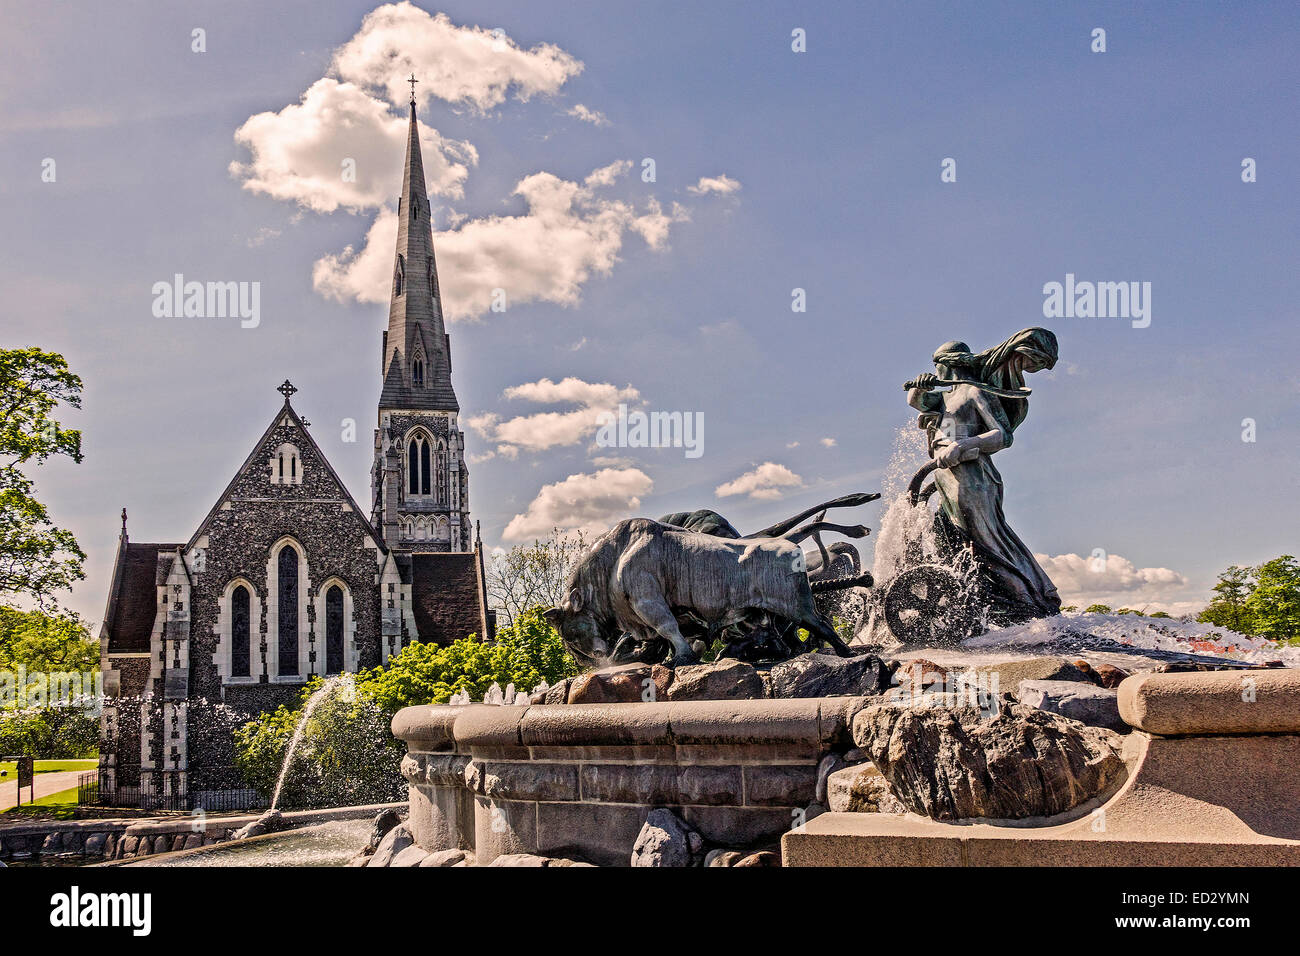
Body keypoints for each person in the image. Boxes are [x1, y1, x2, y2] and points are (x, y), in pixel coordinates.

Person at [905, 327, 1062, 623]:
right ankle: (980, 605)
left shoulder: (974, 391)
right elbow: (917, 401)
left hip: (973, 477)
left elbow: (1002, 436)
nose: (935, 370)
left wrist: (965, 444)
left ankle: (1030, 603)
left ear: (948, 364)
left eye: (936, 365)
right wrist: (921, 386)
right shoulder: (945, 398)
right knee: (949, 539)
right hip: (947, 478)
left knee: (988, 541)